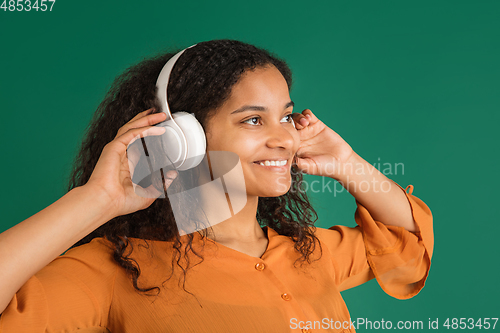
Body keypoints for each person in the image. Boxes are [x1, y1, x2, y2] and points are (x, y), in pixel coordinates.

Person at [0, 39, 433, 332]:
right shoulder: (116, 271)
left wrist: (347, 164)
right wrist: (97, 201)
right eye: (252, 119)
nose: (284, 137)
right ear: (182, 138)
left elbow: (410, 244)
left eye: (285, 116)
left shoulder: (308, 253)